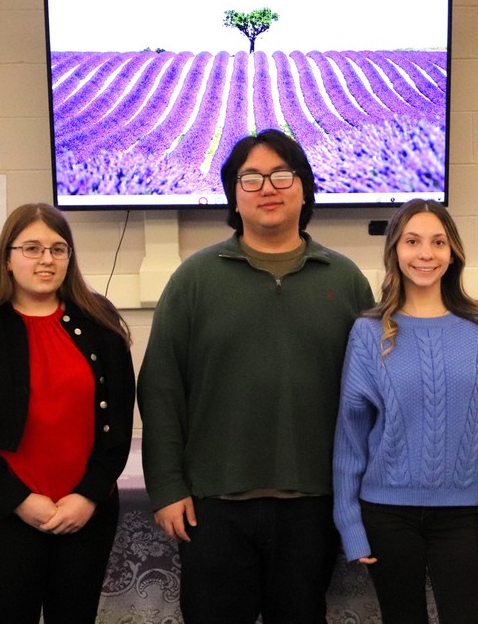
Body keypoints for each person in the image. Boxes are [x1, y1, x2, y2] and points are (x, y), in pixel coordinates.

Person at [137, 128, 375, 623]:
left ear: (304, 189)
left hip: (314, 503)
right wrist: (167, 486)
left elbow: (373, 393)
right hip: (211, 505)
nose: (268, 187)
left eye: (282, 175)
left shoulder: (345, 279)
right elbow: (160, 387)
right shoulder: (195, 279)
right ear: (234, 195)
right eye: (251, 178)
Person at [0, 202, 135, 624]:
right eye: (32, 248)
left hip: (85, 515)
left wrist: (87, 496)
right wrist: (19, 501)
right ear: (6, 258)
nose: (46, 259)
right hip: (2, 515)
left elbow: (118, 422)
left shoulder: (100, 322)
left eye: (58, 249)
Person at [333, 198, 478, 624]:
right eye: (412, 241)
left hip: (463, 518)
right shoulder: (367, 333)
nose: (425, 254)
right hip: (386, 515)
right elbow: (351, 434)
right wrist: (350, 523)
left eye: (437, 242)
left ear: (452, 252)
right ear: (395, 250)